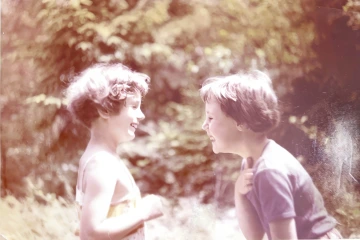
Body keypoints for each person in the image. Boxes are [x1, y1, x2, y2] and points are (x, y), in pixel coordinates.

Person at [200, 70, 342, 240]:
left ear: (241, 122)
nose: (204, 125)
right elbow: (255, 235)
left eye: (210, 118)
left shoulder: (270, 171)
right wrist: (239, 193)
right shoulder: (252, 161)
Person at [65, 63, 163, 240]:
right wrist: (144, 212)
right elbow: (91, 231)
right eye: (134, 106)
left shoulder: (103, 158)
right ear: (104, 110)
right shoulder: (101, 163)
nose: (141, 115)